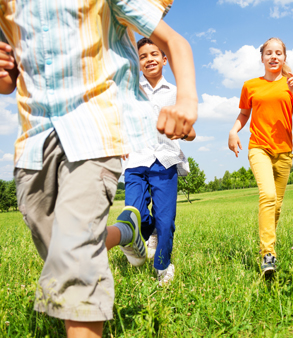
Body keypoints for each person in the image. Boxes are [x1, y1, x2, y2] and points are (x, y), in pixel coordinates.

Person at [0, 1, 198, 337]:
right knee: (61, 246)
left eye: (154, 56)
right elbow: (11, 77)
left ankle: (158, 264)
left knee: (79, 247)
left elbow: (175, 42)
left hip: (98, 130)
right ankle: (127, 232)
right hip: (34, 138)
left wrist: (186, 101)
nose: (149, 60)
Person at [107, 37, 196, 285]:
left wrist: (183, 131)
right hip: (135, 161)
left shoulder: (176, 93)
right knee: (134, 212)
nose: (149, 59)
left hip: (165, 161)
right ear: (137, 63)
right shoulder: (128, 92)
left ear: (165, 59)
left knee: (165, 221)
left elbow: (191, 133)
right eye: (143, 56)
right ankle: (148, 232)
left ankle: (163, 265)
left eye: (154, 54)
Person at [228, 37, 293, 276]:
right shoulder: (251, 85)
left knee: (276, 207)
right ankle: (268, 254)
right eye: (269, 53)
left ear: (284, 58)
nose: (274, 57)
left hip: (284, 152)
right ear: (262, 57)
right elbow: (244, 114)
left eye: (278, 53)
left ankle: (268, 249)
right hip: (259, 147)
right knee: (268, 195)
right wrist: (234, 131)